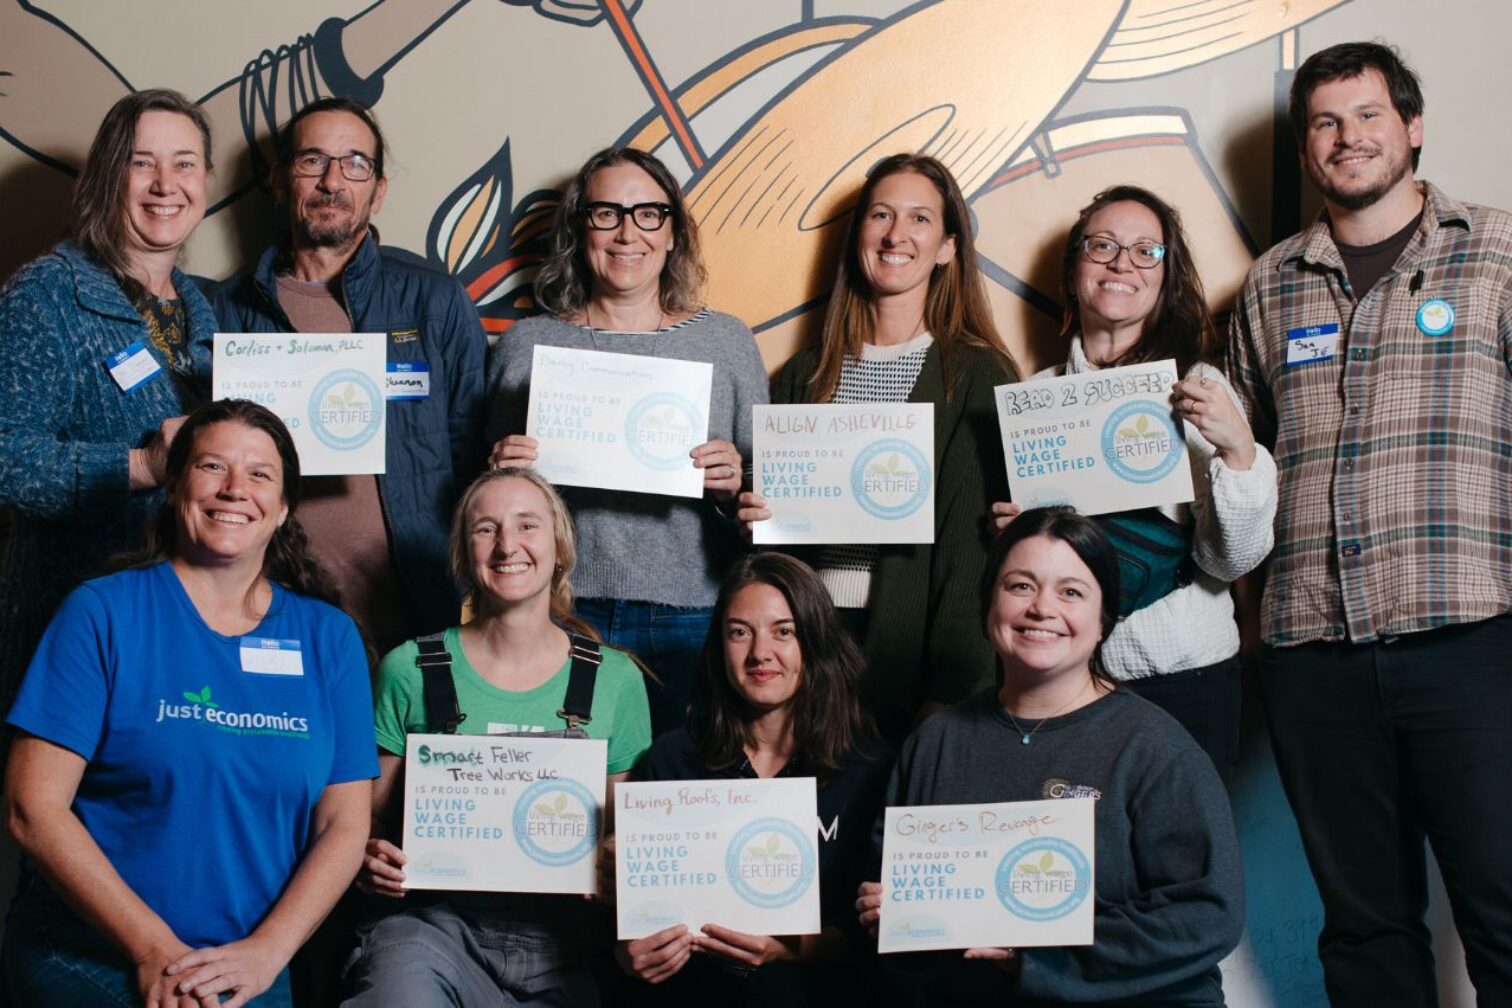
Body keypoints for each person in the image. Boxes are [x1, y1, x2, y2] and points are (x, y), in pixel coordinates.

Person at [1228, 41, 1512, 1006]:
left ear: (1412, 126)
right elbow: (1240, 473)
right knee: (1364, 929)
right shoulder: (1270, 284)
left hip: (1472, 639)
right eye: (1325, 122)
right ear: (1306, 148)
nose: (1348, 137)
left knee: (1503, 910)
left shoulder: (1496, 252)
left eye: (1368, 115)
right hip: (1314, 655)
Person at [3, 399, 376, 1007]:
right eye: (212, 467)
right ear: (175, 486)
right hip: (94, 948)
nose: (235, 489)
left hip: (245, 965)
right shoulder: (102, 613)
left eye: (259, 474)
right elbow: (32, 808)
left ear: (284, 507)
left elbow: (344, 825)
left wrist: (268, 953)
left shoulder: (328, 637)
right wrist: (152, 949)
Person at [856, 507, 1243, 1005]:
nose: (1042, 608)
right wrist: (886, 914)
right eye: (1020, 586)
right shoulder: (935, 743)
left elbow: (1208, 914)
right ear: (988, 603)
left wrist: (1035, 957)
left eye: (1071, 592)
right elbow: (891, 896)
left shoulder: (1155, 749)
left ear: (1104, 620)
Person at [990, 185, 1276, 786]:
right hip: (1064, 681)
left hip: (1187, 680)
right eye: (1103, 246)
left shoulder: (1199, 389)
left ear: (1165, 279)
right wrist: (1015, 539)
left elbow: (1230, 561)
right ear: (1074, 272)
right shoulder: (1033, 401)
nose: (1123, 263)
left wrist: (1238, 452)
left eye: (1147, 251)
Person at [342, 466, 652, 1007]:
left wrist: (615, 862)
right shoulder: (408, 669)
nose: (508, 545)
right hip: (434, 930)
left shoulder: (615, 679)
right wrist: (369, 859)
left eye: (527, 525)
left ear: (559, 547)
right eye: (486, 529)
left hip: (567, 942)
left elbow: (627, 831)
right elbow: (361, 821)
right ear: (464, 554)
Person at [485, 147, 768, 737]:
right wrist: (500, 473)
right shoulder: (527, 345)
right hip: (559, 610)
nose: (626, 233)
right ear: (579, 228)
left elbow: (768, 512)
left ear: (672, 232)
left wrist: (733, 488)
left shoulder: (726, 342)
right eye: (606, 213)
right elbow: (487, 507)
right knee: (561, 782)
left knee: (679, 779)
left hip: (692, 613)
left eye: (647, 214)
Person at [739, 153, 1019, 741]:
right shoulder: (804, 375)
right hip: (807, 645)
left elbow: (973, 551)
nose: (896, 235)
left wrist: (950, 691)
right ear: (859, 234)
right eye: (881, 215)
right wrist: (749, 512)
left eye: (920, 218)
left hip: (910, 653)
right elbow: (772, 542)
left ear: (947, 247)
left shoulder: (977, 374)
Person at [210, 96, 486, 656]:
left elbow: (474, 462)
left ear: (378, 190)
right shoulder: (225, 311)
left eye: (355, 163)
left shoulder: (433, 303)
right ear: (279, 179)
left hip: (412, 618)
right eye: (312, 160)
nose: (332, 181)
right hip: (267, 610)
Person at [0, 88, 216, 724]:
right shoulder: (47, 294)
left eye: (183, 163)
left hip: (180, 625)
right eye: (141, 162)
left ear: (205, 181)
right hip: (73, 621)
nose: (165, 184)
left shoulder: (203, 311)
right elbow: (6, 458)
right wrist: (141, 466)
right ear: (107, 176)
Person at [615, 552, 894, 1005]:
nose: (760, 652)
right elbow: (630, 930)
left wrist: (794, 949)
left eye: (783, 631)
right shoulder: (672, 760)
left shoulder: (870, 767)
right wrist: (629, 956)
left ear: (816, 640)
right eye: (739, 632)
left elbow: (875, 940)